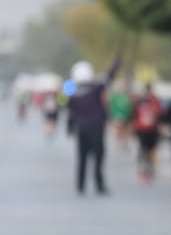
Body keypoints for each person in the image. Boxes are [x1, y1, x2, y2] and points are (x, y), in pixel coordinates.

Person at [67, 56, 121, 195]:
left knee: (82, 158)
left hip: (81, 128)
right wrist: (116, 64)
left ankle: (80, 186)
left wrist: (70, 128)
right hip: (96, 128)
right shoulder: (95, 88)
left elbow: (71, 112)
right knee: (98, 157)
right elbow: (108, 77)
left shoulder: (73, 92)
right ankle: (99, 185)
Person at [132, 83, 163, 183]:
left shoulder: (155, 101)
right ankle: (144, 170)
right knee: (143, 150)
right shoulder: (140, 102)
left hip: (153, 130)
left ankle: (152, 167)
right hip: (142, 130)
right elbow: (134, 114)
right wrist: (135, 126)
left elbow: (160, 114)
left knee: (153, 150)